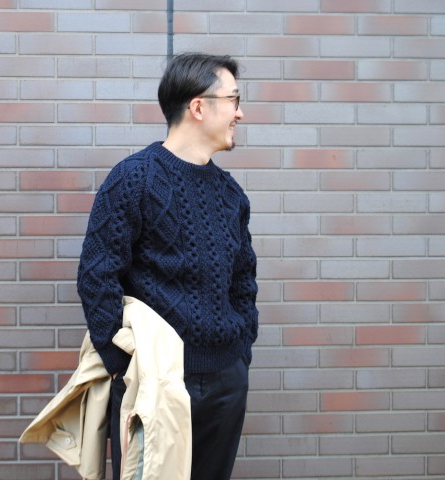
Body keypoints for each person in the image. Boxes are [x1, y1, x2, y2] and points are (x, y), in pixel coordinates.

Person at [76, 53, 259, 480]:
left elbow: (243, 281)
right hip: (153, 384)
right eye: (233, 100)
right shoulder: (134, 179)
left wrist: (240, 354)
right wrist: (122, 364)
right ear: (199, 107)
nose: (240, 113)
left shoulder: (231, 194)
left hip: (225, 381)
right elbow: (96, 275)